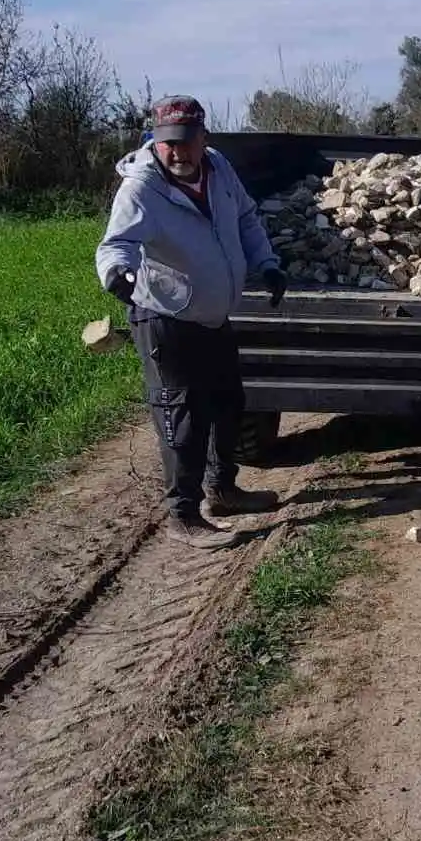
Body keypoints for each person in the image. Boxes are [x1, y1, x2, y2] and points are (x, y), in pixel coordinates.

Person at [95, 94, 288, 548]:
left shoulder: (218, 168)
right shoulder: (142, 187)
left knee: (228, 402)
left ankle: (222, 489)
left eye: (186, 143)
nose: (177, 153)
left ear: (203, 138)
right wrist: (117, 275)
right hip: (164, 316)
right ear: (155, 141)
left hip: (212, 314)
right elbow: (115, 244)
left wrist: (267, 262)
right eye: (168, 144)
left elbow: (245, 218)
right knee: (182, 417)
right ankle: (183, 515)